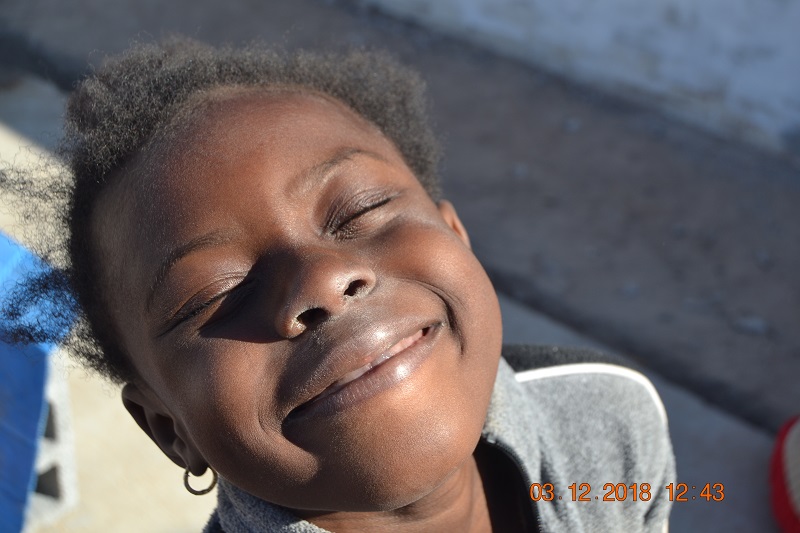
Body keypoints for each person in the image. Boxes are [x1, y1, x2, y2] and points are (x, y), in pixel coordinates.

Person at [1, 38, 674, 532]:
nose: (322, 280)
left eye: (359, 210)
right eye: (215, 294)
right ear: (168, 428)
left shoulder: (607, 414)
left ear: (456, 236)